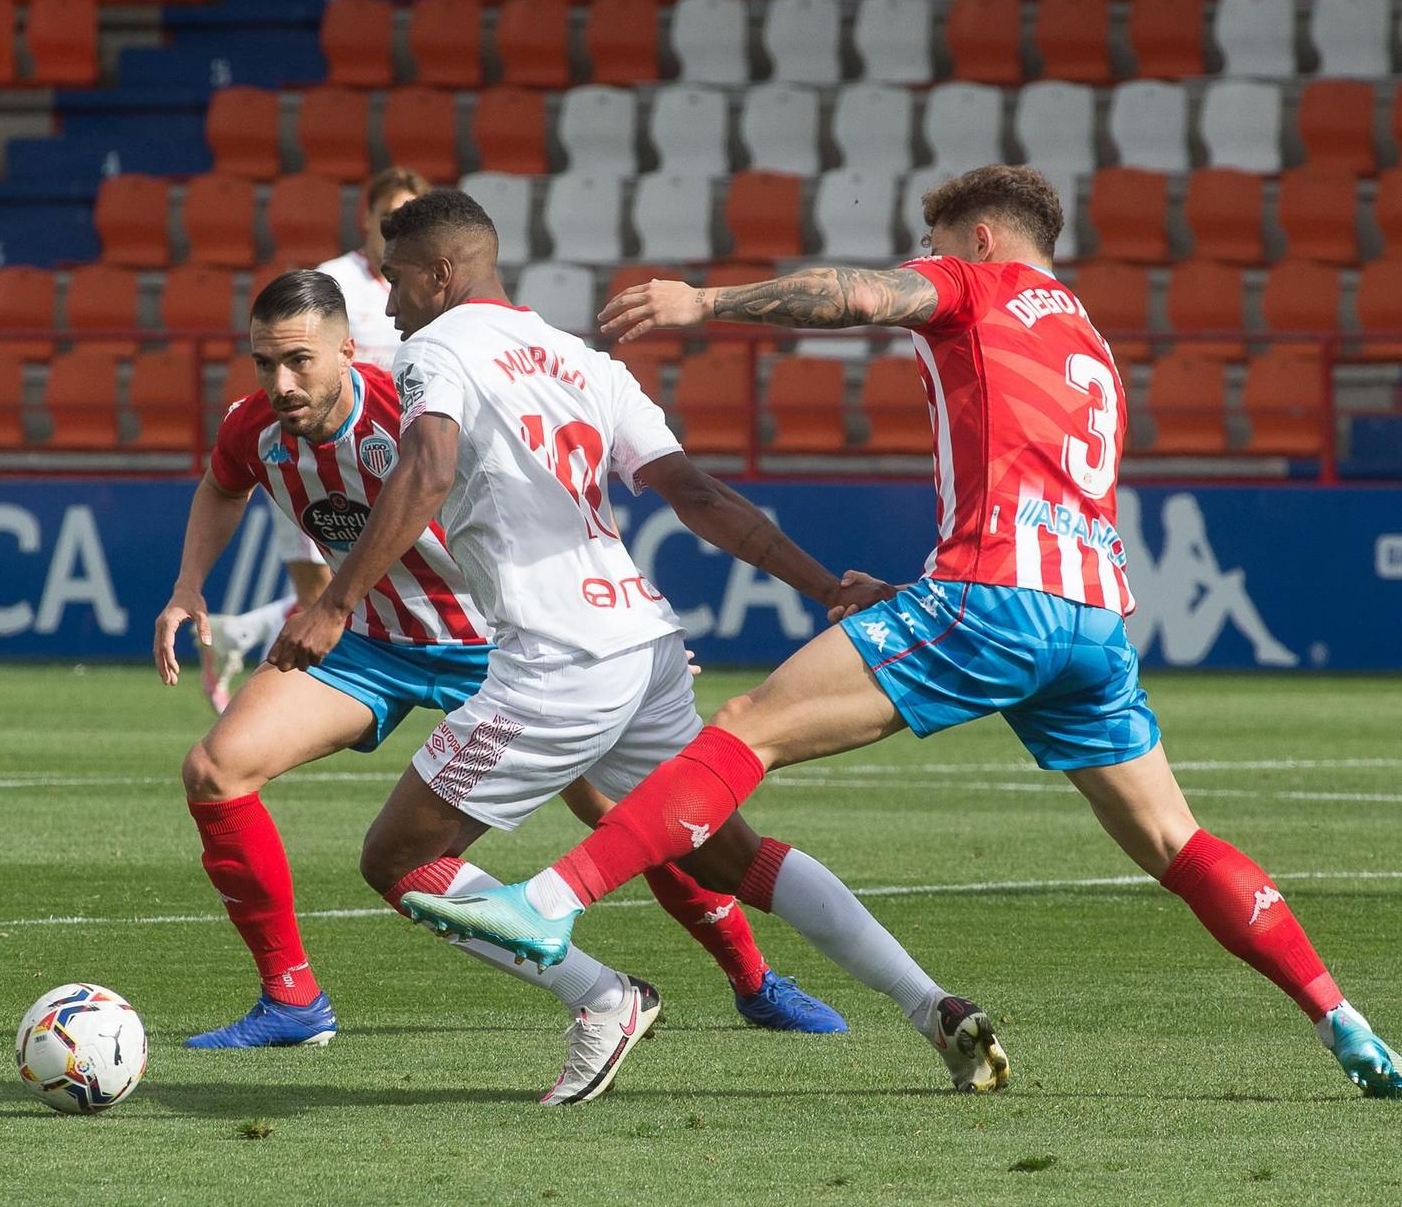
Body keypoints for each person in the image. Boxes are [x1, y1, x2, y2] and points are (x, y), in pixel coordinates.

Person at [398, 165, 1402, 1101]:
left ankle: (547, 900)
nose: (923, 260)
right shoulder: (1087, 338)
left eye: (933, 244)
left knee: (747, 725)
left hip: (991, 598)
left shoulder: (976, 285)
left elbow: (856, 296)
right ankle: (1343, 1019)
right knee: (1174, 838)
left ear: (976, 239)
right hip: (1091, 620)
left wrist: (704, 301)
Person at [266, 191, 1002, 1103]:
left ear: (443, 274)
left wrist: (335, 602)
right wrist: (827, 586)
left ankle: (600, 996)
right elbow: (696, 494)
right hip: (643, 644)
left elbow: (429, 467)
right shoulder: (584, 361)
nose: (387, 304)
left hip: (555, 662)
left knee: (399, 859)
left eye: (399, 279)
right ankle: (931, 1003)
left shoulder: (436, 350)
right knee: (726, 854)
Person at [156, 270, 848, 1057]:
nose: (280, 383)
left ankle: (753, 979)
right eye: (263, 364)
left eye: (299, 361)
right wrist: (187, 586)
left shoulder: (417, 414)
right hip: (374, 648)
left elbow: (550, 507)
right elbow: (222, 483)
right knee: (215, 769)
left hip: (503, 649)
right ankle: (292, 997)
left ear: (348, 349)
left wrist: (614, 638)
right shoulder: (254, 427)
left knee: (640, 814)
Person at [197, 168, 430, 710]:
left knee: (360, 593)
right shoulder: (335, 282)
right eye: (389, 216)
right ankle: (285, 711)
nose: (398, 228)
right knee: (320, 598)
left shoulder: (418, 293)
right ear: (366, 219)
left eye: (411, 219)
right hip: (316, 456)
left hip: (388, 461)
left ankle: (246, 639)